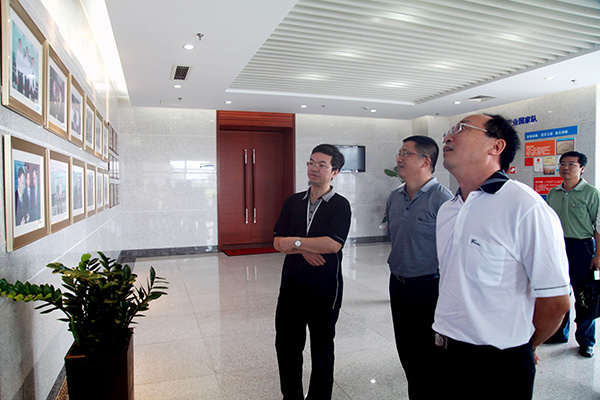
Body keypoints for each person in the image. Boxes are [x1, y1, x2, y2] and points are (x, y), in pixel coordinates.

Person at [433, 114, 571, 399]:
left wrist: (525, 345)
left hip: (500, 359)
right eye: (449, 130)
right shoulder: (448, 209)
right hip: (444, 348)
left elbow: (556, 302)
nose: (448, 137)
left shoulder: (525, 207)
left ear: (496, 146)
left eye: (461, 129)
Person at [273, 144, 351, 400]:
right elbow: (277, 242)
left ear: (334, 172)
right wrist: (304, 248)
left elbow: (333, 244)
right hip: (291, 287)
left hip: (324, 288)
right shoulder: (293, 202)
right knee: (287, 346)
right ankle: (291, 396)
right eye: (311, 162)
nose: (314, 168)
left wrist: (295, 243)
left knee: (321, 348)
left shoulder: (340, 205)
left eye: (322, 165)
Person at [385, 136, 452, 399]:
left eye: (406, 153)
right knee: (407, 350)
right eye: (399, 152)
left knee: (431, 355)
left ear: (425, 161)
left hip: (429, 287)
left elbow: (452, 252)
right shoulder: (395, 197)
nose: (399, 158)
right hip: (398, 284)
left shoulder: (442, 199)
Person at [545, 151, 600, 357]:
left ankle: (586, 341)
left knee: (585, 296)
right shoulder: (553, 193)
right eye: (562, 164)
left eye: (571, 164)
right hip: (558, 247)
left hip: (582, 248)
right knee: (560, 293)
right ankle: (559, 333)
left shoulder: (591, 193)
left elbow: (598, 226)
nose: (565, 168)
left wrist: (598, 255)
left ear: (582, 168)